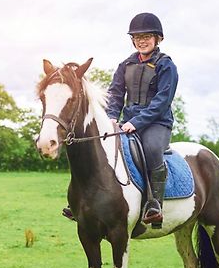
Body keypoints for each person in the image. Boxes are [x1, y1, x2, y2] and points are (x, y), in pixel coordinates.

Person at [63, 12, 178, 226]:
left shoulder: (166, 66)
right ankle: (81, 200)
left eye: (147, 36)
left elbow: (162, 101)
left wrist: (136, 122)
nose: (142, 41)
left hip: (157, 123)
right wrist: (112, 117)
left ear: (158, 38)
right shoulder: (125, 65)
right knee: (100, 150)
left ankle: (155, 204)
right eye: (137, 37)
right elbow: (115, 95)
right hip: (126, 123)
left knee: (152, 149)